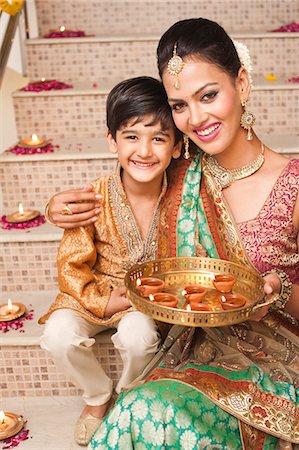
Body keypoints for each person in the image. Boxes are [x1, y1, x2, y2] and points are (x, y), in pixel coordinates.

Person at [47, 19, 299, 449]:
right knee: (135, 413)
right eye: (179, 105)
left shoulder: (292, 184)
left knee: (152, 415)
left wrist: (276, 291)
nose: (196, 119)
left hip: (274, 366)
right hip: (192, 355)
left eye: (209, 96)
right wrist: (63, 208)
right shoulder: (178, 171)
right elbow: (126, 182)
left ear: (242, 81)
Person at [39, 76, 182, 446]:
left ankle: (129, 393)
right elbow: (70, 264)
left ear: (177, 146)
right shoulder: (93, 197)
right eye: (131, 137)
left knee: (138, 336)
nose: (145, 151)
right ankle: (98, 396)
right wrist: (100, 301)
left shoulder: (182, 196)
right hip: (90, 296)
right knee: (58, 333)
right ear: (111, 141)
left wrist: (137, 299)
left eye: (159, 138)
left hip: (142, 302)